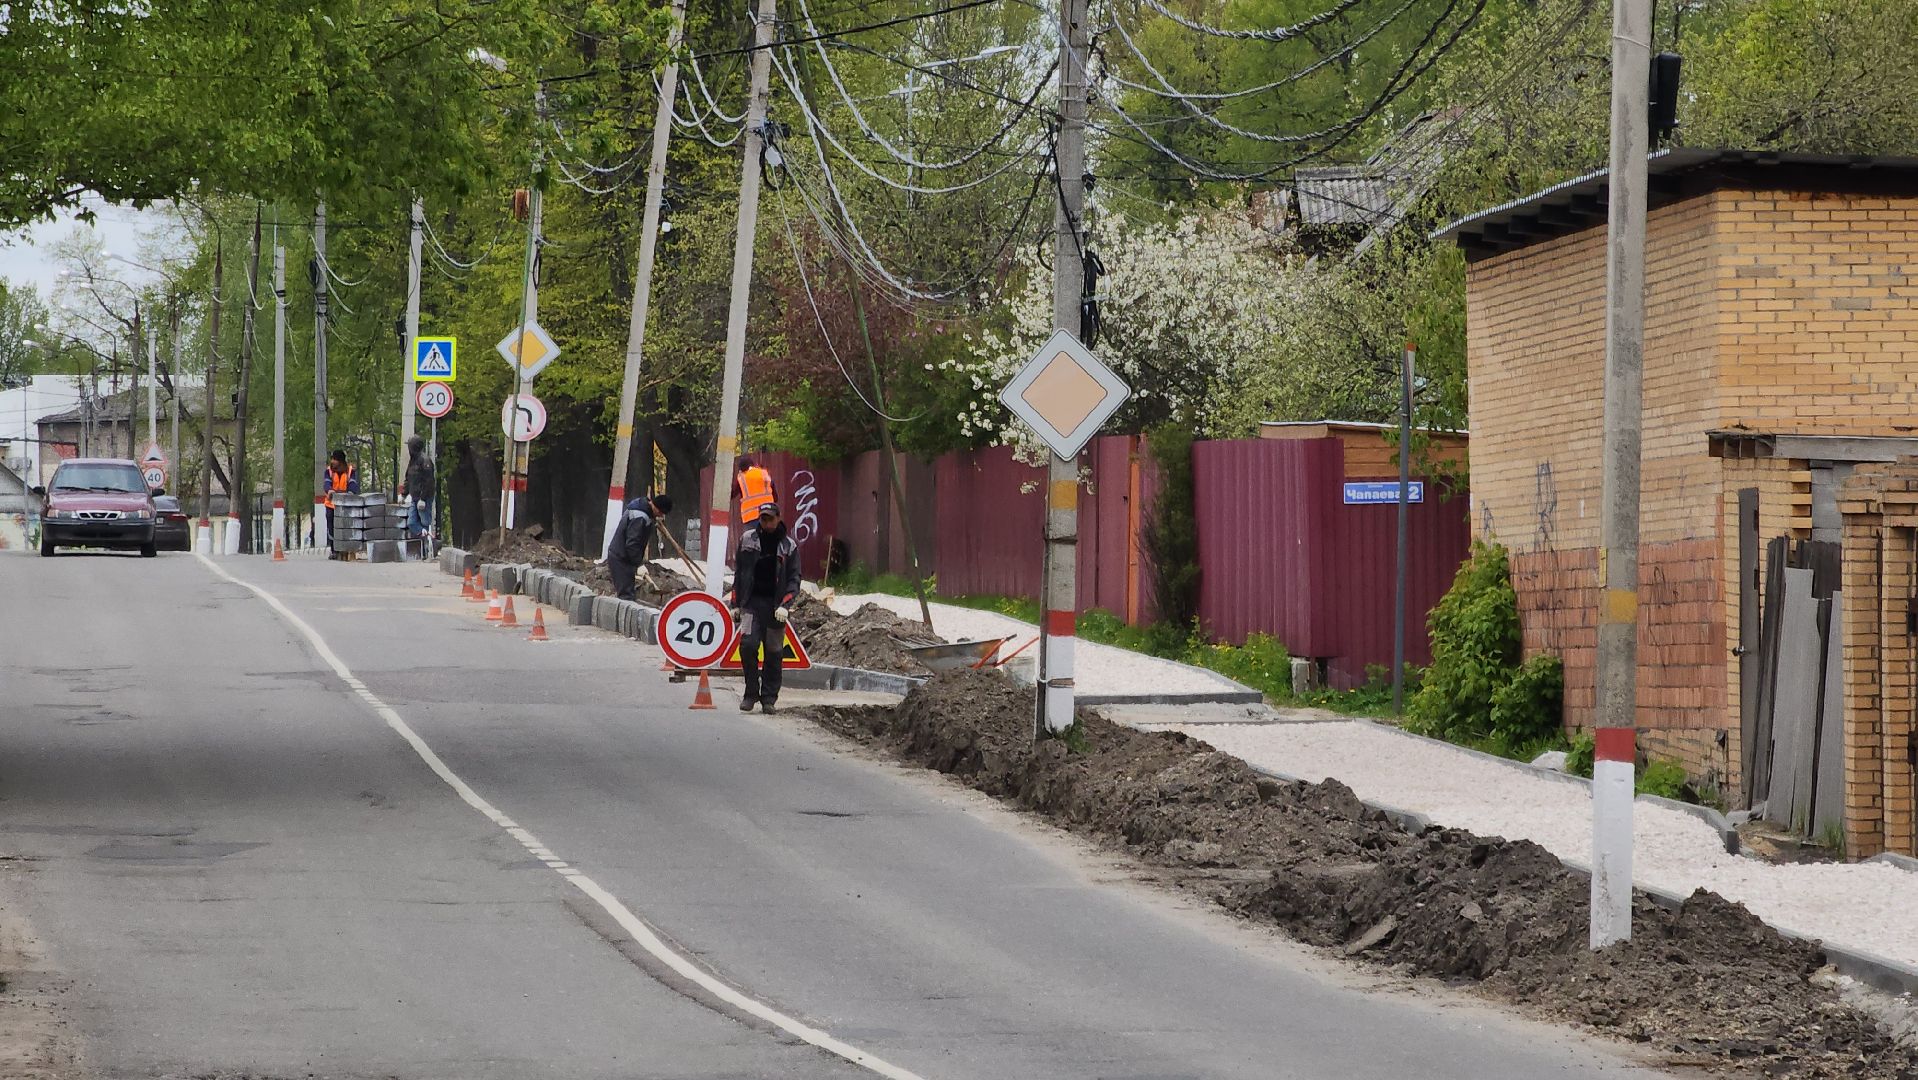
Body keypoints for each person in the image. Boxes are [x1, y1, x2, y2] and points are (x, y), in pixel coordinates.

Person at [727, 501, 800, 714]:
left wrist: (785, 605)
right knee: (748, 646)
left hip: (775, 607)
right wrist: (735, 603)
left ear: (778, 518)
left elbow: (794, 579)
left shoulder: (789, 546)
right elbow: (739, 573)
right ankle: (750, 694)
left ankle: (769, 698)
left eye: (770, 518)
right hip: (751, 603)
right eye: (763, 518)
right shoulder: (748, 540)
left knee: (774, 653)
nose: (766, 522)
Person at [605, 493, 673, 601]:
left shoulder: (643, 510)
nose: (659, 516)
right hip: (620, 558)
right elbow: (632, 544)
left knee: (629, 593)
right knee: (626, 596)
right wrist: (639, 564)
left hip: (624, 558)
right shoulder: (640, 516)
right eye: (660, 512)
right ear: (655, 506)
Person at [400, 435, 435, 549]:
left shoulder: (425, 461)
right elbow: (408, 478)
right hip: (414, 498)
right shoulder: (412, 461)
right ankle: (427, 540)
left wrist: (423, 499)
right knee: (411, 523)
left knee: (425, 522)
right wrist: (403, 494)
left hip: (423, 499)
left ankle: (429, 547)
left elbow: (429, 481)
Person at [322, 449, 358, 558]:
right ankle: (334, 550)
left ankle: (346, 548)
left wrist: (350, 493)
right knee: (332, 527)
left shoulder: (350, 471)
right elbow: (326, 484)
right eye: (332, 459)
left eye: (335, 459)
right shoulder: (329, 471)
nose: (332, 461)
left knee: (346, 526)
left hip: (345, 505)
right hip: (331, 505)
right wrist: (329, 490)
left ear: (341, 461)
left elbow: (353, 484)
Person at [730, 457, 778, 532]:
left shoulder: (742, 478)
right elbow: (775, 496)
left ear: (741, 469)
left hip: (750, 517)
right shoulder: (764, 473)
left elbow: (732, 494)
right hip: (769, 514)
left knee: (752, 541)